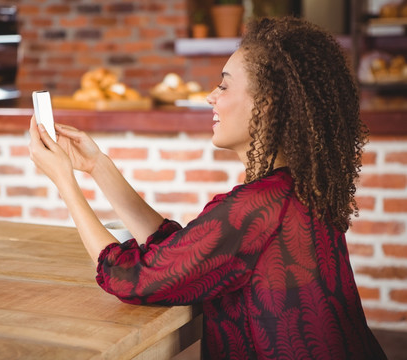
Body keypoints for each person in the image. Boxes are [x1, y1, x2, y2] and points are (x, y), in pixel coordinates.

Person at [29, 17, 387, 360]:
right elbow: (181, 254)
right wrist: (98, 167)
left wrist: (65, 183)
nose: (210, 97)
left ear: (266, 104)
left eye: (225, 85)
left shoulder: (255, 207)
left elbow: (132, 279)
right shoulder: (296, 190)